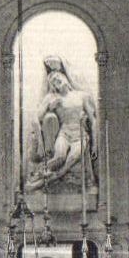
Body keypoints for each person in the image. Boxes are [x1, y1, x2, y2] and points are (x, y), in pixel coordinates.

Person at [26, 56, 97, 191]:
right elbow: (35, 118)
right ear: (53, 86)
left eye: (58, 77)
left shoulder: (82, 96)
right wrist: (40, 143)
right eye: (53, 80)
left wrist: (95, 145)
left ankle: (41, 181)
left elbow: (93, 121)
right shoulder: (52, 98)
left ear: (65, 77)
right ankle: (38, 175)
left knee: (71, 159)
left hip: (79, 136)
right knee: (60, 156)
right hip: (64, 134)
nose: (56, 80)